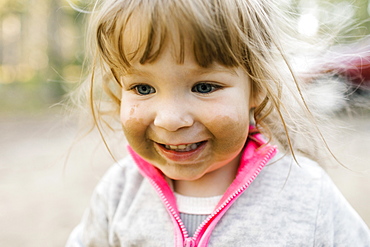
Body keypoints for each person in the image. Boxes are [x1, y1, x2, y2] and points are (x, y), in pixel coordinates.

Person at [66, 0, 370, 246]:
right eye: (143, 88)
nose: (170, 120)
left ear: (258, 86)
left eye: (204, 87)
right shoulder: (119, 193)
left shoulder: (307, 195)